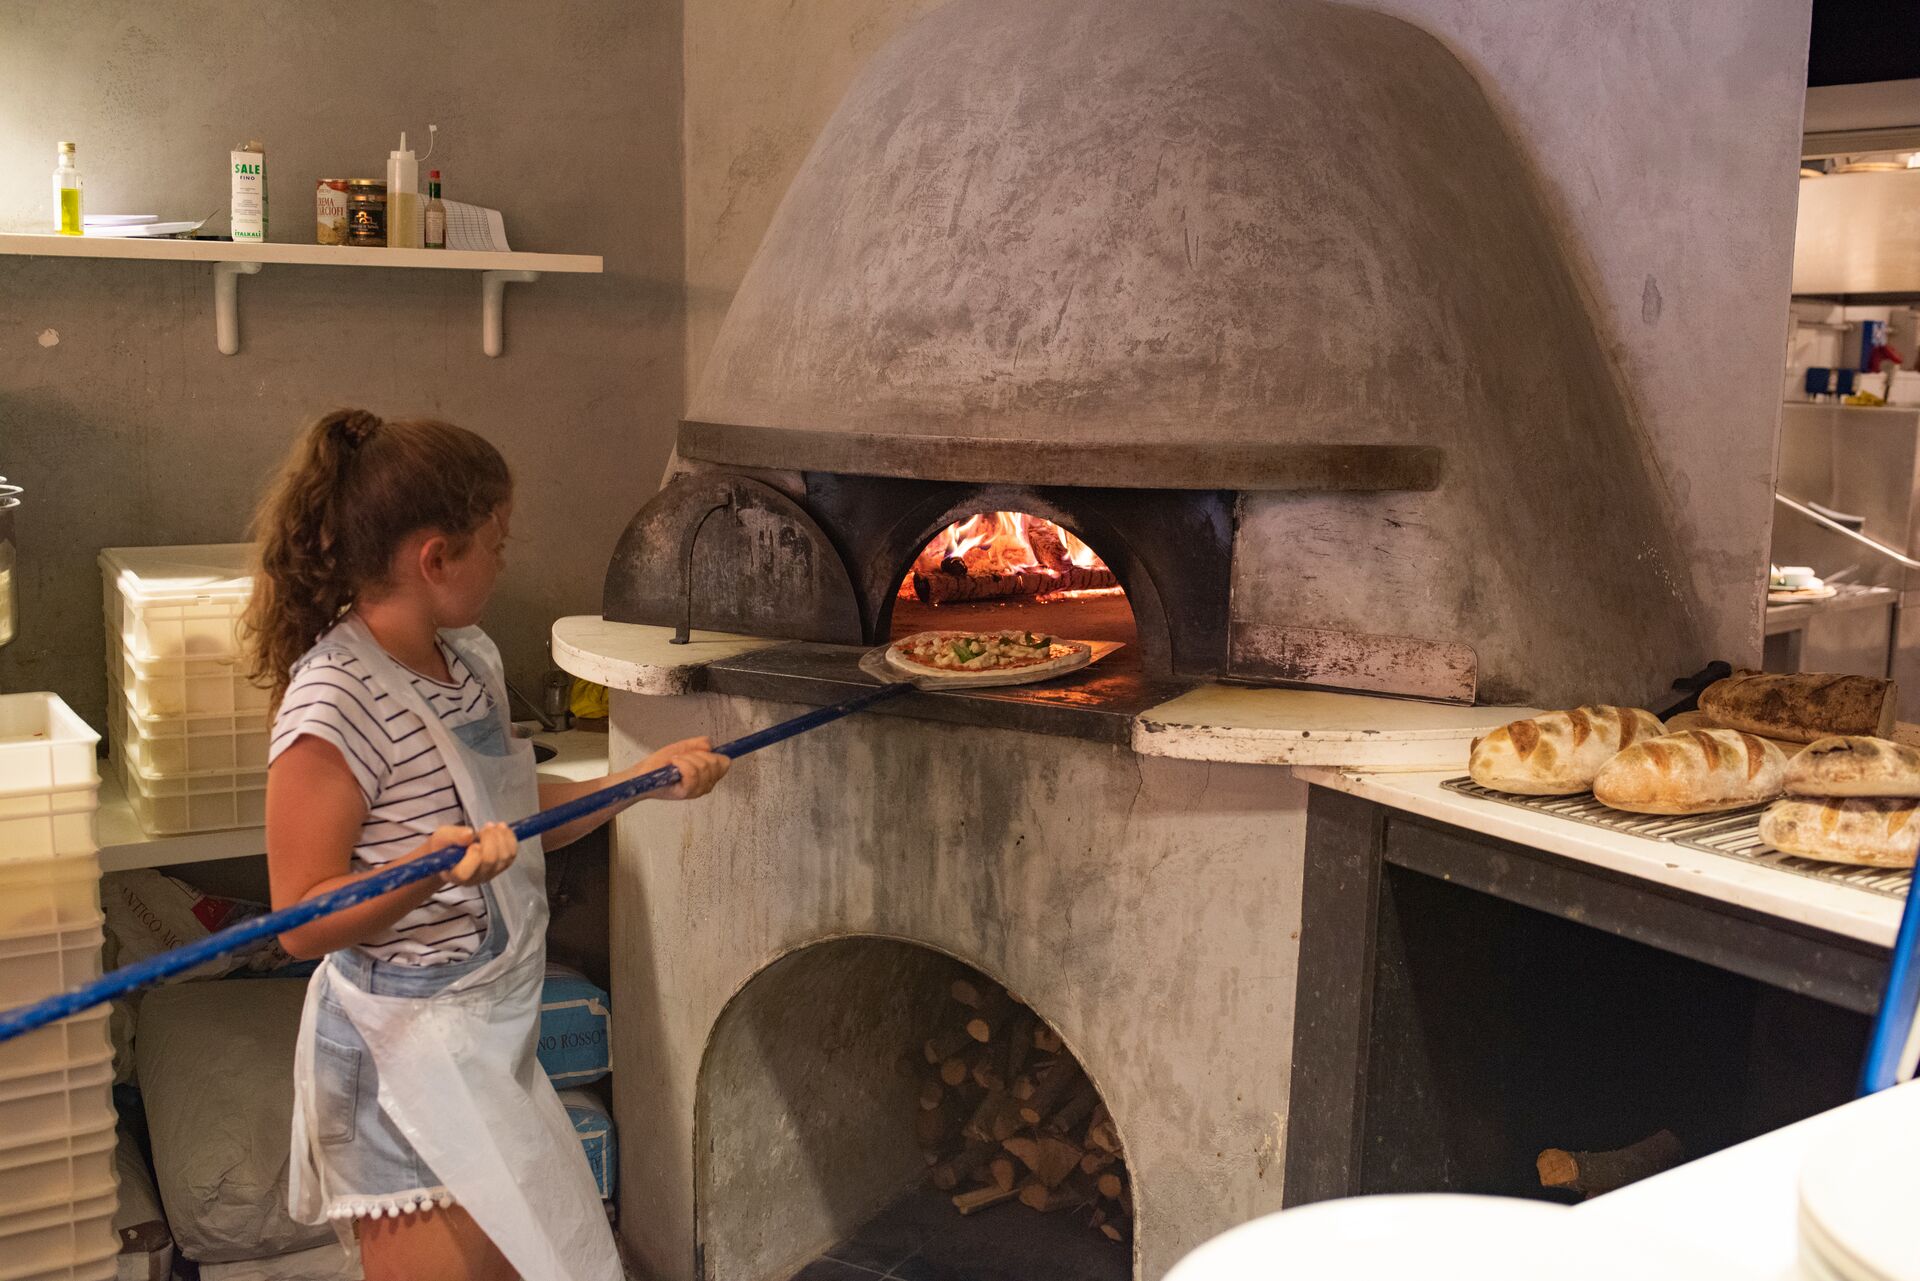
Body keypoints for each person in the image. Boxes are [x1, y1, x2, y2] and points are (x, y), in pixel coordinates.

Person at [244, 409, 728, 1281]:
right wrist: (423, 873)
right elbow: (302, 918)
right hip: (402, 1058)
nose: (504, 562)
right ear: (437, 557)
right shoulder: (333, 705)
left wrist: (638, 782)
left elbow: (506, 807)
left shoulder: (466, 661)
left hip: (485, 1034)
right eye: (495, 543)